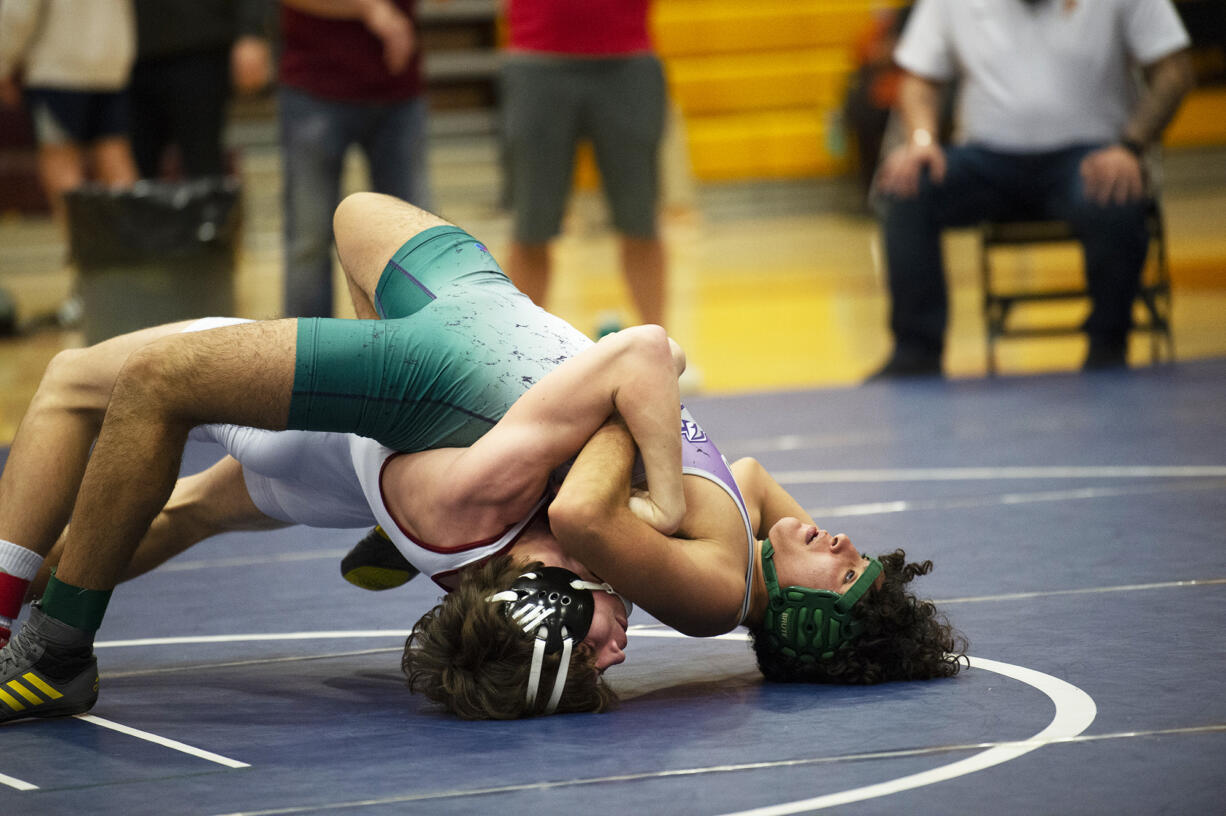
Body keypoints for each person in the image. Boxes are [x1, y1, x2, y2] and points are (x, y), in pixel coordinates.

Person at [0, 193, 962, 722]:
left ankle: (45, 643)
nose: (841, 538)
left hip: (438, 396)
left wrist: (643, 435)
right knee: (200, 498)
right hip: (446, 386)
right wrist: (680, 474)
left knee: (117, 389)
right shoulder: (734, 549)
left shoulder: (691, 584)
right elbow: (744, 483)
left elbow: (626, 409)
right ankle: (50, 611)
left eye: (842, 567)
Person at [869, 0, 1195, 378]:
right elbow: (919, 79)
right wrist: (922, 139)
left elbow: (1175, 71)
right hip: (987, 158)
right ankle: (916, 352)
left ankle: (1108, 344)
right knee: (908, 187)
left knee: (1116, 192)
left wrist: (1131, 146)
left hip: (1089, 156)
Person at [501, 0, 669, 328]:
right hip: (537, 62)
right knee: (531, 226)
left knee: (642, 220)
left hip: (628, 61)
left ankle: (659, 344)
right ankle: (520, 352)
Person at [277, 0, 431, 318]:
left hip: (398, 88)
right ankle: (309, 361)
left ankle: (416, 355)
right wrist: (369, 8)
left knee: (414, 241)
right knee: (310, 240)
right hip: (315, 85)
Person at [0, 0, 138, 226]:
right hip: (111, 63)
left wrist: (2, 62)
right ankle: (130, 244)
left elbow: (19, 11)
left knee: (60, 158)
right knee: (115, 155)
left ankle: (82, 246)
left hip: (58, 68)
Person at [128, 0, 273, 180]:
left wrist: (251, 30)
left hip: (200, 44)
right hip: (128, 50)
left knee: (203, 164)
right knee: (134, 172)